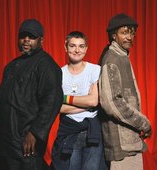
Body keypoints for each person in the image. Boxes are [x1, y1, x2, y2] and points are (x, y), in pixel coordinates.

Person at [0, 19, 63, 170]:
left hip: (24, 142)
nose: (26, 40)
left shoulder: (47, 65)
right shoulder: (10, 66)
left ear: (41, 40)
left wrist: (35, 133)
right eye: (23, 36)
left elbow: (52, 102)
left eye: (31, 37)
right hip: (2, 142)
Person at [99, 13, 152, 170]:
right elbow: (113, 103)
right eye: (124, 32)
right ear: (114, 36)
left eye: (131, 32)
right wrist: (143, 123)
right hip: (121, 144)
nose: (129, 37)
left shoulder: (122, 56)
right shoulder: (111, 59)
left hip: (131, 141)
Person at [51, 31, 107, 170]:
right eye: (72, 46)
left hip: (92, 131)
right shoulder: (58, 73)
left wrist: (65, 99)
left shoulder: (95, 70)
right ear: (65, 47)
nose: (77, 50)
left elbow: (93, 101)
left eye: (81, 46)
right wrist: (86, 103)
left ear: (86, 48)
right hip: (68, 131)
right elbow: (56, 107)